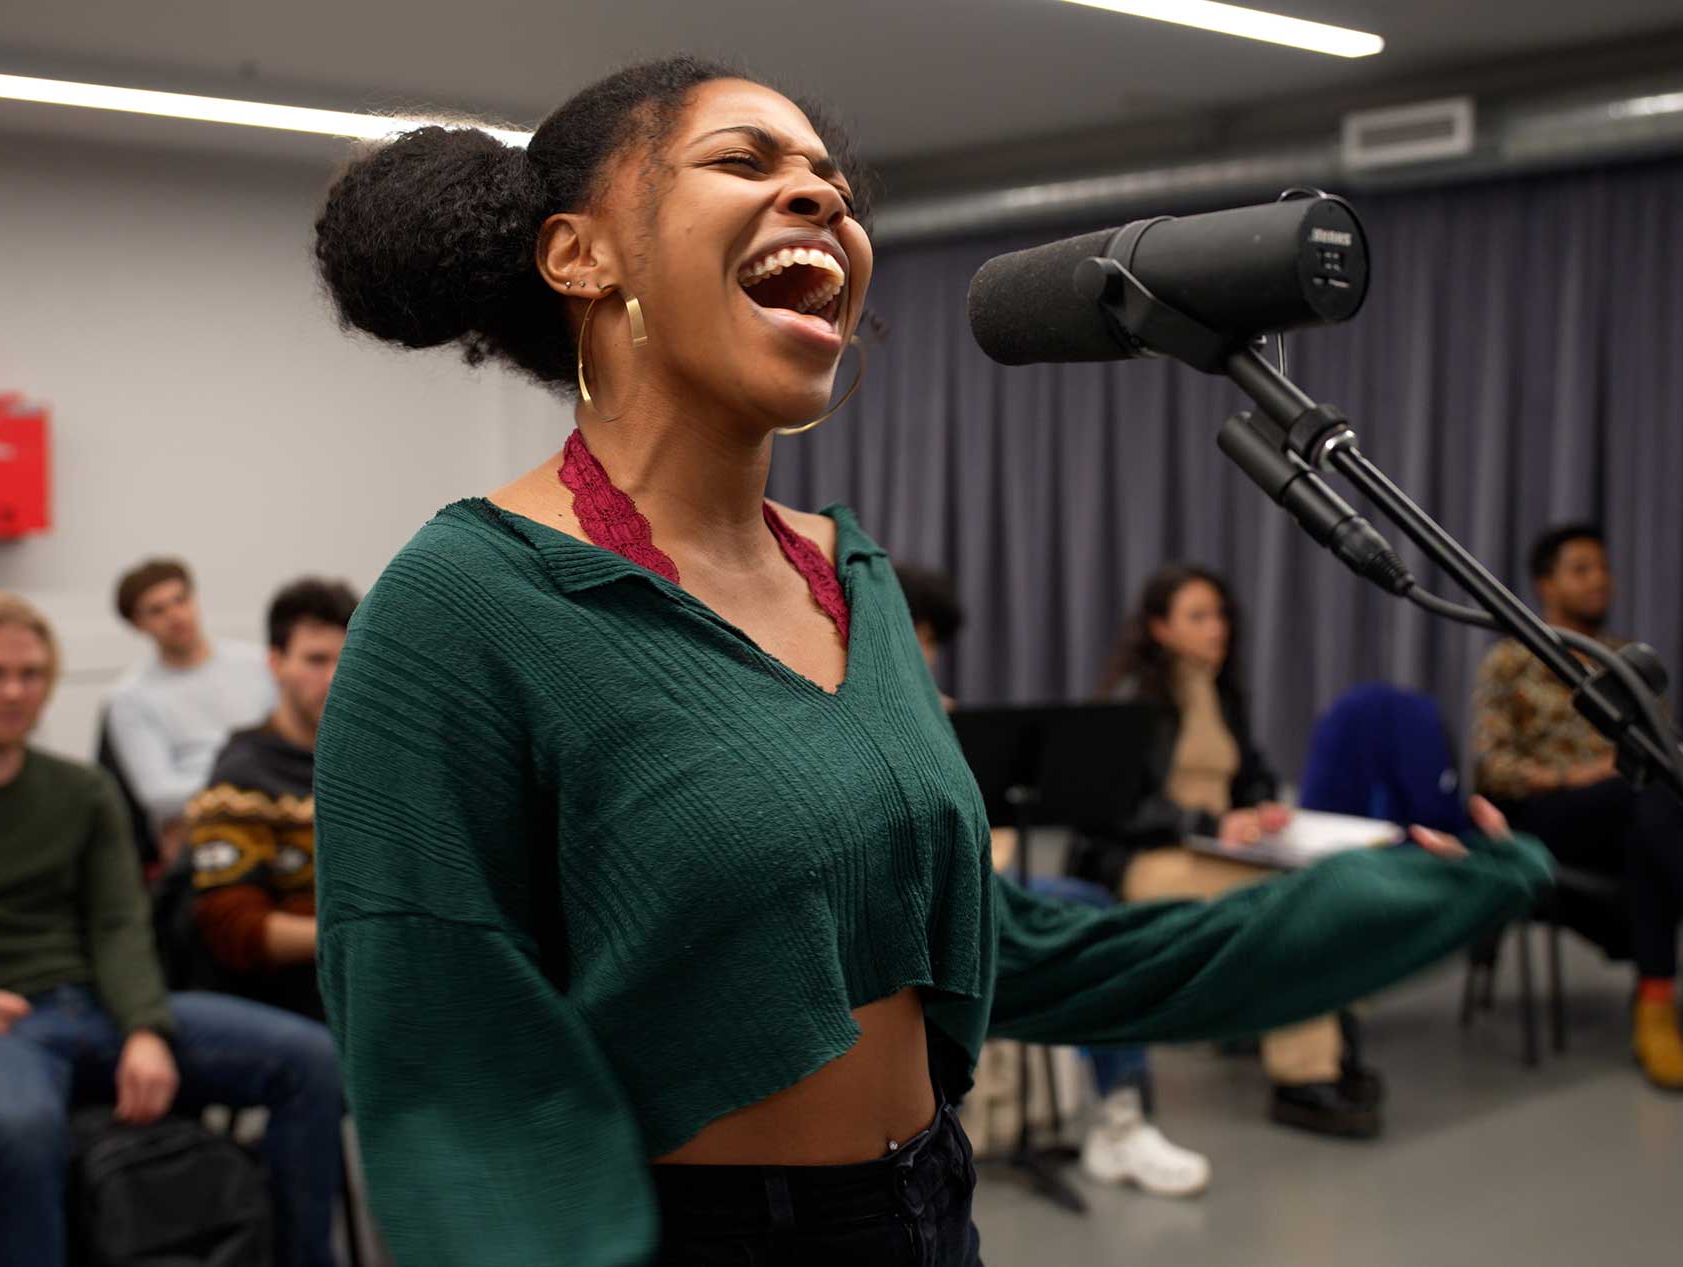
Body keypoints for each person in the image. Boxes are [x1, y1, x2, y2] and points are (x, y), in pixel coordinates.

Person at [309, 57, 1550, 1266]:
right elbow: (448, 1076)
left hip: (924, 1206)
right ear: (579, 253)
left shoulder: (854, 578)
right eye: (744, 159)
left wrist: (1377, 903)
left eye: (832, 179)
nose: (824, 197)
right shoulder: (463, 606)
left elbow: (1007, 950)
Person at [0, 593, 343, 1267]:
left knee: (309, 1060)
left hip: (97, 1007)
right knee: (22, 1125)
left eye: (32, 674)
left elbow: (120, 926)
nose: (15, 691)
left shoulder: (82, 792)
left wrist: (146, 1027)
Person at [895, 563, 1209, 1198]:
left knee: (1091, 913)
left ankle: (1120, 1118)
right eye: (920, 638)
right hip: (908, 901)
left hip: (979, 887)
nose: (926, 656)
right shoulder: (862, 710)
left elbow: (993, 830)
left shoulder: (947, 717)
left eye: (931, 643)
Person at [1073, 564, 1388, 1139]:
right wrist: (1212, 822)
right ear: (1159, 629)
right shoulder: (1132, 698)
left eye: (1220, 614)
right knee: (1290, 906)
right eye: (1198, 616)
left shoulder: (1219, 690)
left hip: (1219, 851)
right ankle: (1303, 1077)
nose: (1217, 627)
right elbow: (1115, 809)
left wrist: (1264, 806)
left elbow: (1254, 776)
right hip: (1153, 859)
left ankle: (1328, 1050)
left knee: (1329, 885)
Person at [1473, 523, 1683, 1091]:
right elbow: (1493, 767)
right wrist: (1575, 775)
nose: (1599, 580)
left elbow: (1665, 749)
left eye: (1603, 568)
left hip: (1631, 818)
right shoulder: (1511, 660)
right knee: (1642, 797)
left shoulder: (1626, 660)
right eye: (1581, 569)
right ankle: (1662, 1001)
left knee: (1650, 814)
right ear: (1546, 584)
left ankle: (1655, 1006)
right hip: (1547, 815)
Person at [184, 578, 358, 1020]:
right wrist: (364, 936)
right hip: (290, 1004)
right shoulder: (242, 776)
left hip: (384, 985)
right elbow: (233, 931)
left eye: (348, 657)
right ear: (276, 662)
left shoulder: (381, 760)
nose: (334, 675)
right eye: (316, 660)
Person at [105, 558, 275, 862]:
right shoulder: (130, 696)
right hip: (199, 830)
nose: (175, 615)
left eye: (180, 600)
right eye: (157, 610)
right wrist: (245, 787)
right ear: (137, 624)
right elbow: (159, 796)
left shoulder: (257, 664)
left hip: (274, 809)